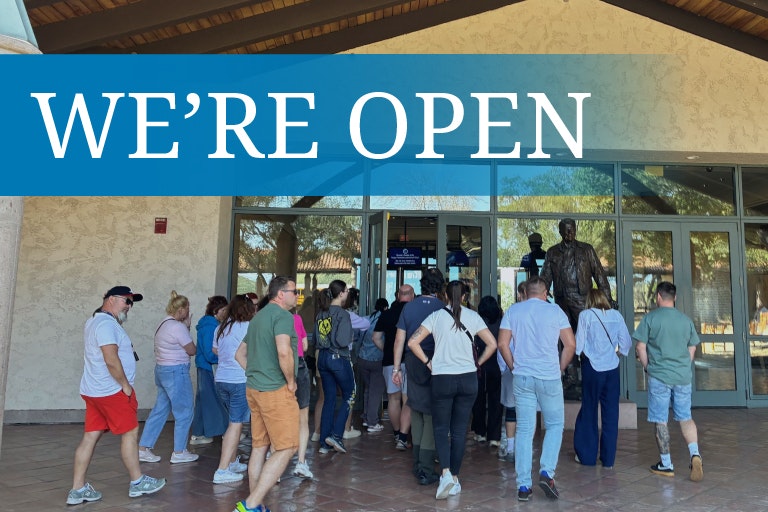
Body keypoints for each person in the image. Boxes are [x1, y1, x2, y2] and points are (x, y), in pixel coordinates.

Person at [67, 286, 166, 505]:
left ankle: (78, 489)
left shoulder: (95, 320)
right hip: (111, 391)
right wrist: (125, 386)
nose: (129, 306)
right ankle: (138, 482)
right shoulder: (104, 324)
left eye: (131, 303)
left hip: (94, 390)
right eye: (126, 301)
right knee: (130, 433)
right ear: (111, 299)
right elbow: (110, 358)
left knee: (90, 436)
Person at [408, 280, 497, 499]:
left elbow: (412, 342)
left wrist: (429, 362)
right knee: (459, 431)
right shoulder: (474, 317)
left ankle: (445, 473)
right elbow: (493, 344)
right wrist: (479, 363)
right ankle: (455, 478)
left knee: (440, 428)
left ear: (444, 296)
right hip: (468, 379)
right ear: (465, 297)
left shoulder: (436, 316)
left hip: (442, 378)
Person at [497, 277, 576, 501]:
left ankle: (523, 486)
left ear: (527, 292)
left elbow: (502, 343)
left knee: (524, 430)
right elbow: (570, 344)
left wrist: (513, 366)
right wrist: (560, 368)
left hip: (522, 376)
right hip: (549, 377)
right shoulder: (556, 312)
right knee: (554, 425)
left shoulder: (514, 311)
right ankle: (546, 472)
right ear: (545, 293)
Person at [232, 276, 300, 512]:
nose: (297, 295)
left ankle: (256, 505)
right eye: (294, 291)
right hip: (275, 391)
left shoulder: (258, 317)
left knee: (260, 446)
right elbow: (284, 352)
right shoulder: (282, 316)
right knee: (287, 447)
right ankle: (250, 505)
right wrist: (291, 382)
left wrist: (255, 373)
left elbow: (239, 355)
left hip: (254, 389)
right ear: (281, 294)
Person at [633, 281, 703, 482]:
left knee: (660, 419)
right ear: (675, 298)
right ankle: (695, 454)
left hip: (659, 376)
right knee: (685, 417)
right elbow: (692, 348)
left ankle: (666, 463)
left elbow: (640, 347)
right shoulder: (685, 320)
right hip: (682, 376)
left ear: (657, 297)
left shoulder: (650, 318)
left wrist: (647, 367)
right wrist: (682, 366)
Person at [392, 268, 446, 486]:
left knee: (415, 407)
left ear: (422, 285)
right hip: (436, 361)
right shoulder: (444, 308)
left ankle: (417, 463)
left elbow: (399, 340)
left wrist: (396, 369)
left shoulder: (408, 307)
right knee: (433, 412)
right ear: (440, 286)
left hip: (412, 361)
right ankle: (425, 467)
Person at [573, 289, 632, 468]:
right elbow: (626, 343)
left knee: (589, 410)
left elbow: (579, 345)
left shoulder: (586, 315)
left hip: (592, 367)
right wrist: (617, 354)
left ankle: (588, 457)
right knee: (611, 414)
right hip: (612, 369)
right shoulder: (617, 315)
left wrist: (580, 357)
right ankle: (608, 459)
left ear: (589, 300)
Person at [138, 291, 198, 464]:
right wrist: (187, 327)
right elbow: (192, 350)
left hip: (162, 370)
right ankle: (179, 451)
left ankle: (143, 448)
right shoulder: (177, 327)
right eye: (187, 308)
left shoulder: (162, 323)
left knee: (160, 409)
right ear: (182, 309)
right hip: (175, 372)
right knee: (185, 411)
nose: (189, 311)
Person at [540, 218, 615, 331]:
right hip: (562, 299)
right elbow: (545, 276)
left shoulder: (586, 249)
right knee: (562, 334)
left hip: (582, 299)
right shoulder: (552, 252)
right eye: (567, 231)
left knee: (584, 331)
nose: (570, 233)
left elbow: (599, 274)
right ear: (560, 232)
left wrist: (608, 299)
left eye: (572, 230)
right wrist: (540, 296)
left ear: (576, 230)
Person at [211, 294, 256, 484]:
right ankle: (222, 471)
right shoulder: (248, 327)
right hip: (239, 380)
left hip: (221, 379)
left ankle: (231, 462)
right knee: (236, 424)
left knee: (233, 422)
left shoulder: (222, 327)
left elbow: (215, 350)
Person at [315, 279, 356, 454]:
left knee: (329, 398)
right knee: (350, 393)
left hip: (322, 357)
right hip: (339, 358)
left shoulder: (321, 313)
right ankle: (337, 435)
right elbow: (342, 340)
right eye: (346, 291)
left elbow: (317, 339)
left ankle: (324, 442)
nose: (347, 294)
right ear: (341, 293)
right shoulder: (343, 314)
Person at [374, 284, 415, 450]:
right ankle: (405, 436)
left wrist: (387, 351)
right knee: (408, 399)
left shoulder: (387, 314)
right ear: (412, 296)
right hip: (410, 360)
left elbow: (376, 337)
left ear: (398, 295)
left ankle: (397, 433)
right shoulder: (413, 312)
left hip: (389, 362)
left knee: (393, 398)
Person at [190, 295, 230, 446]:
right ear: (217, 310)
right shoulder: (210, 327)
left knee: (202, 401)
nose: (226, 313)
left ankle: (198, 433)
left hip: (203, 367)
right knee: (211, 401)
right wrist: (225, 358)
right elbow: (210, 352)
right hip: (208, 368)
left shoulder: (207, 324)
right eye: (225, 310)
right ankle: (217, 432)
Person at [471, 296, 503, 448]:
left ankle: (480, 432)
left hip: (480, 365)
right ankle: (495, 436)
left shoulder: (477, 321)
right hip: (497, 365)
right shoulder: (501, 322)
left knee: (478, 399)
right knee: (496, 400)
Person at [358, 298, 388, 433]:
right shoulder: (384, 320)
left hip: (362, 358)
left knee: (368, 389)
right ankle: (372, 422)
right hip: (378, 360)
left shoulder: (365, 319)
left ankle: (365, 417)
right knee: (376, 392)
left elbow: (356, 336)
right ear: (386, 308)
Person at [291, 306, 314, 479]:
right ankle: (301, 461)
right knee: (303, 417)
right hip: (298, 366)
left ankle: (274, 461)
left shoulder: (267, 319)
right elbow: (305, 346)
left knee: (279, 416)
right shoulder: (297, 319)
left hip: (276, 368)